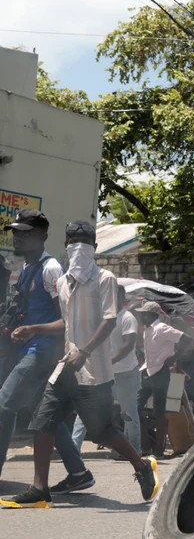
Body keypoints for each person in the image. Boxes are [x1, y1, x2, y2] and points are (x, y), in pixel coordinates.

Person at [1, 220, 158, 507]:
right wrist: (35, 328)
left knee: (101, 431)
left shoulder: (105, 278)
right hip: (66, 366)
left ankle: (141, 465)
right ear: (66, 247)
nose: (78, 249)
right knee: (43, 421)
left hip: (94, 370)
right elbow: (66, 322)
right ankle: (39, 489)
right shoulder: (63, 283)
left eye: (84, 243)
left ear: (95, 248)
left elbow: (109, 320)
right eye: (73, 243)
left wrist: (84, 351)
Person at [0, 210, 92, 493]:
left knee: (4, 406)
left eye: (25, 232)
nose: (17, 237)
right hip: (27, 349)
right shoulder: (26, 268)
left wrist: (34, 329)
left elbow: (68, 320)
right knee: (45, 415)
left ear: (42, 236)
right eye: (15, 231)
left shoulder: (51, 268)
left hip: (42, 352)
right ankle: (78, 472)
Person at [73, 284, 142, 454]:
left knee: (129, 414)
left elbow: (127, 346)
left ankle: (135, 450)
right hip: (102, 373)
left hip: (125, 373)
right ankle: (73, 448)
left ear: (120, 299)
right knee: (87, 408)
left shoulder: (127, 318)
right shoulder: (100, 318)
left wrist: (106, 361)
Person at [137, 301, 186, 459]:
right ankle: (145, 446)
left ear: (153, 315)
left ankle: (159, 450)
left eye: (144, 314)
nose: (141, 316)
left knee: (159, 411)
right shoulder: (147, 330)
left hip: (160, 372)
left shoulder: (162, 328)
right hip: (147, 371)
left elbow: (188, 339)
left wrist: (174, 358)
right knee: (135, 407)